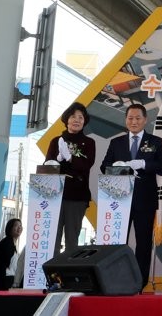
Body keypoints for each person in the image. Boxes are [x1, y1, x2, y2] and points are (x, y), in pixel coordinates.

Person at [100, 103, 162, 290]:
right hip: (119, 201)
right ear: (126, 120)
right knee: (117, 242)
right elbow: (104, 167)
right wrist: (119, 167)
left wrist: (144, 164)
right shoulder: (116, 142)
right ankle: (114, 280)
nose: (134, 122)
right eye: (130, 118)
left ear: (145, 120)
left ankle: (139, 283)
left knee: (143, 243)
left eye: (138, 118)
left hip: (145, 200)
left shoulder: (155, 141)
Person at [45, 102, 96, 256]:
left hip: (77, 196)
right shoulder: (56, 141)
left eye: (80, 117)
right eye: (73, 116)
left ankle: (68, 269)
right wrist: (58, 159)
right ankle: (51, 269)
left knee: (72, 240)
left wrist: (70, 158)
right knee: (52, 238)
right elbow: (47, 167)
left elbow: (86, 165)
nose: (77, 120)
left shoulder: (89, 143)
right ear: (67, 119)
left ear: (84, 121)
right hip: (55, 195)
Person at [0, 218, 22, 290]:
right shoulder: (7, 242)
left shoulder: (13, 243)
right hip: (3, 281)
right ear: (10, 228)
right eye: (16, 225)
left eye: (20, 225)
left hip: (9, 279)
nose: (19, 227)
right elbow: (3, 265)